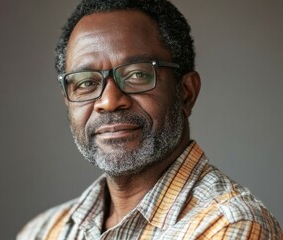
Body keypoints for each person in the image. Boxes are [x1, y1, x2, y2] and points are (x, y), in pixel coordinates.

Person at [18, 0, 283, 239]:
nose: (109, 101)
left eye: (137, 75)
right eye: (86, 82)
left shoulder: (229, 226)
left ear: (186, 93)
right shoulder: (42, 231)